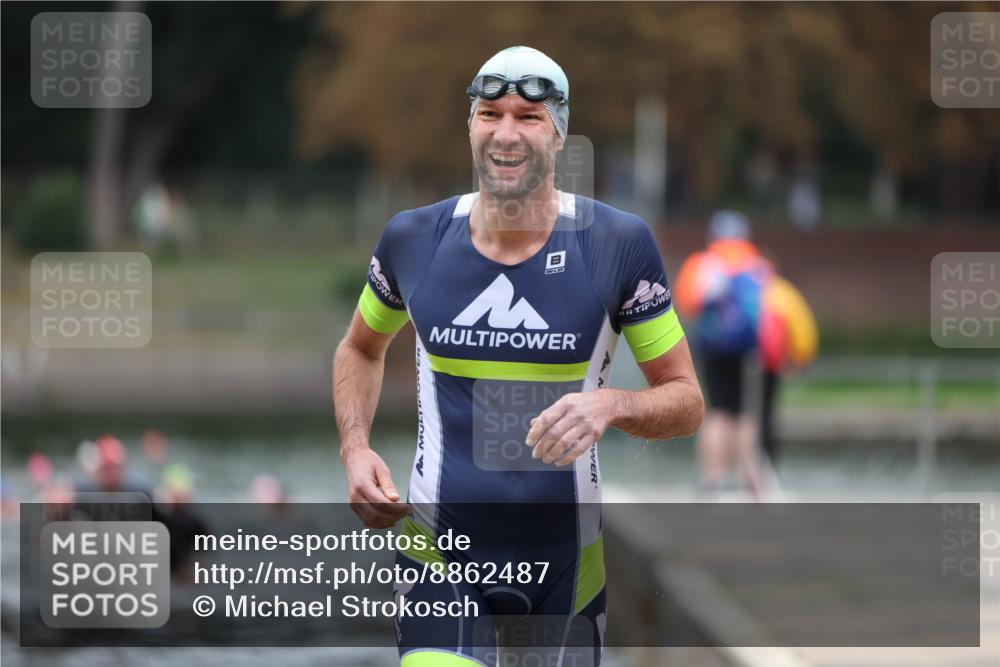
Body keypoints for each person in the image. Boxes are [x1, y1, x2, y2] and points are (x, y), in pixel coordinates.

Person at [333, 46, 703, 667]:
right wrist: (355, 447)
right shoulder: (414, 239)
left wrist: (610, 405)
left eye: (528, 116)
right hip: (437, 554)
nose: (506, 133)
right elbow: (360, 348)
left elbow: (686, 400)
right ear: (470, 124)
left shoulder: (616, 245)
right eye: (489, 113)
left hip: (565, 568)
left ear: (559, 134)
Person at [674, 211, 816, 497]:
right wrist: (797, 356)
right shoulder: (758, 266)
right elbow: (782, 311)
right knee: (746, 415)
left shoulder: (702, 265)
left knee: (717, 412)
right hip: (750, 353)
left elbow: (686, 304)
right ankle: (749, 480)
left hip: (713, 350)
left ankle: (712, 480)